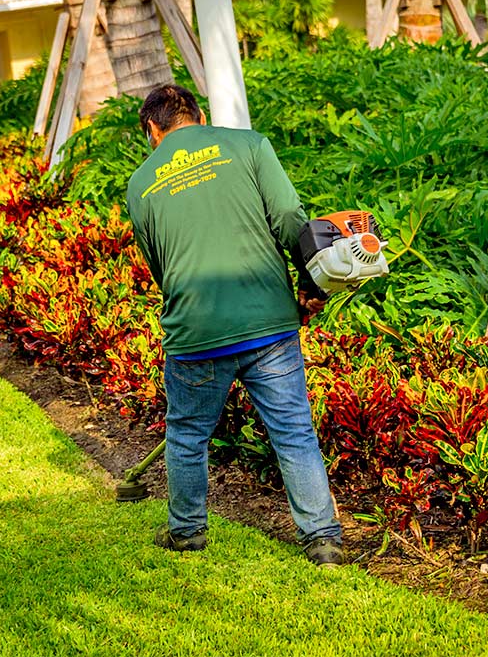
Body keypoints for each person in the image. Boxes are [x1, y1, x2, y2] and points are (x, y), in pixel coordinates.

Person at [125, 84, 344, 566]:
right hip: (268, 322)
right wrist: (312, 285)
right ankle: (323, 539)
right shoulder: (249, 146)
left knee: (186, 433)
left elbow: (159, 265)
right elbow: (290, 218)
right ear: (199, 116)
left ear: (152, 130)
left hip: (196, 332)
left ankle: (186, 533)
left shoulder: (141, 185)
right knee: (292, 431)